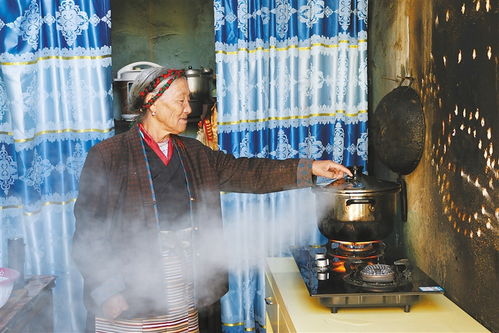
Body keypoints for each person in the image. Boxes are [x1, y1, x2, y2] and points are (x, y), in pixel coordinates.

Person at [72, 67, 352, 333]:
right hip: (130, 288)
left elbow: (247, 172)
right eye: (180, 100)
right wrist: (106, 288)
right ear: (151, 102)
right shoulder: (109, 155)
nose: (188, 109)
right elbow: (89, 230)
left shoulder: (193, 153)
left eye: (189, 100)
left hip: (184, 282)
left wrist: (311, 168)